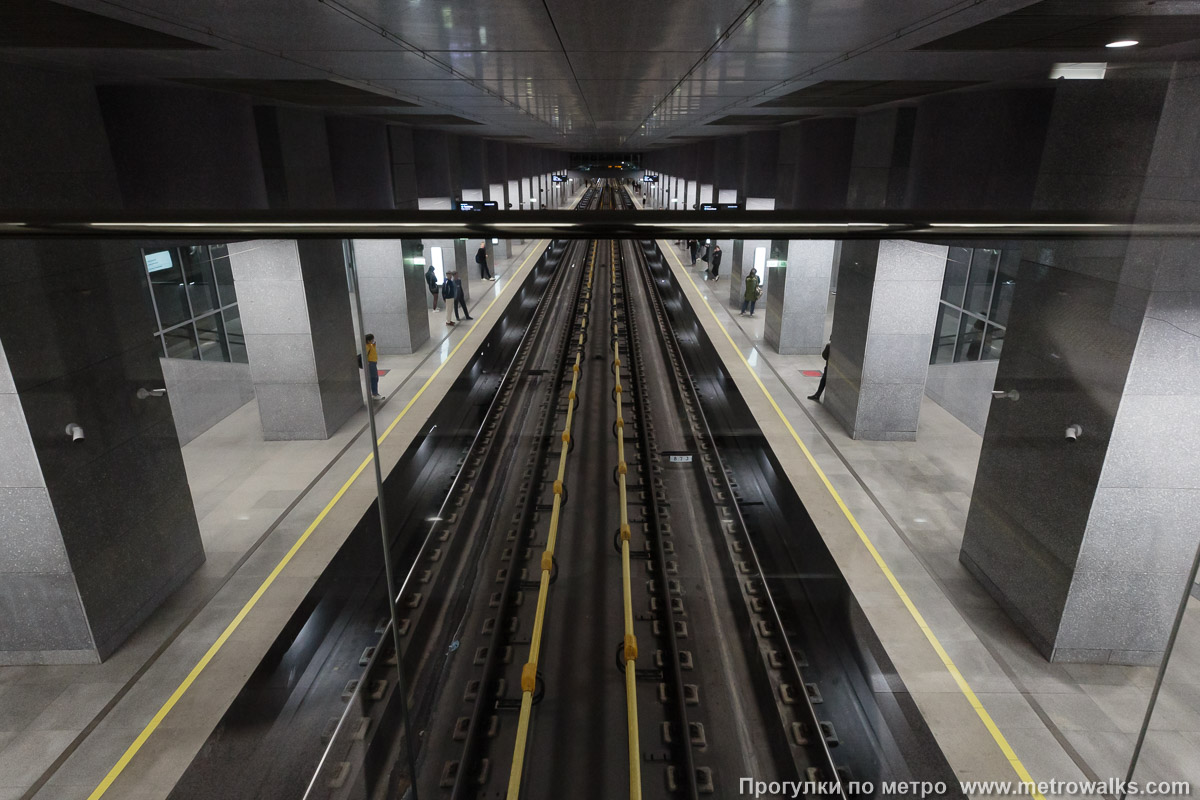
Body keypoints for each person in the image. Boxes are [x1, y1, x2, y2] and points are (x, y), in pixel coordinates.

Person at [365, 334, 382, 400]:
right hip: (370, 363)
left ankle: (375, 393)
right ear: (368, 341)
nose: (373, 340)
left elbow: (372, 352)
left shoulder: (370, 345)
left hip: (373, 362)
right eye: (372, 339)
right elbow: (365, 355)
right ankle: (374, 394)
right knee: (374, 378)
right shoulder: (367, 347)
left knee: (375, 378)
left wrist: (374, 345)